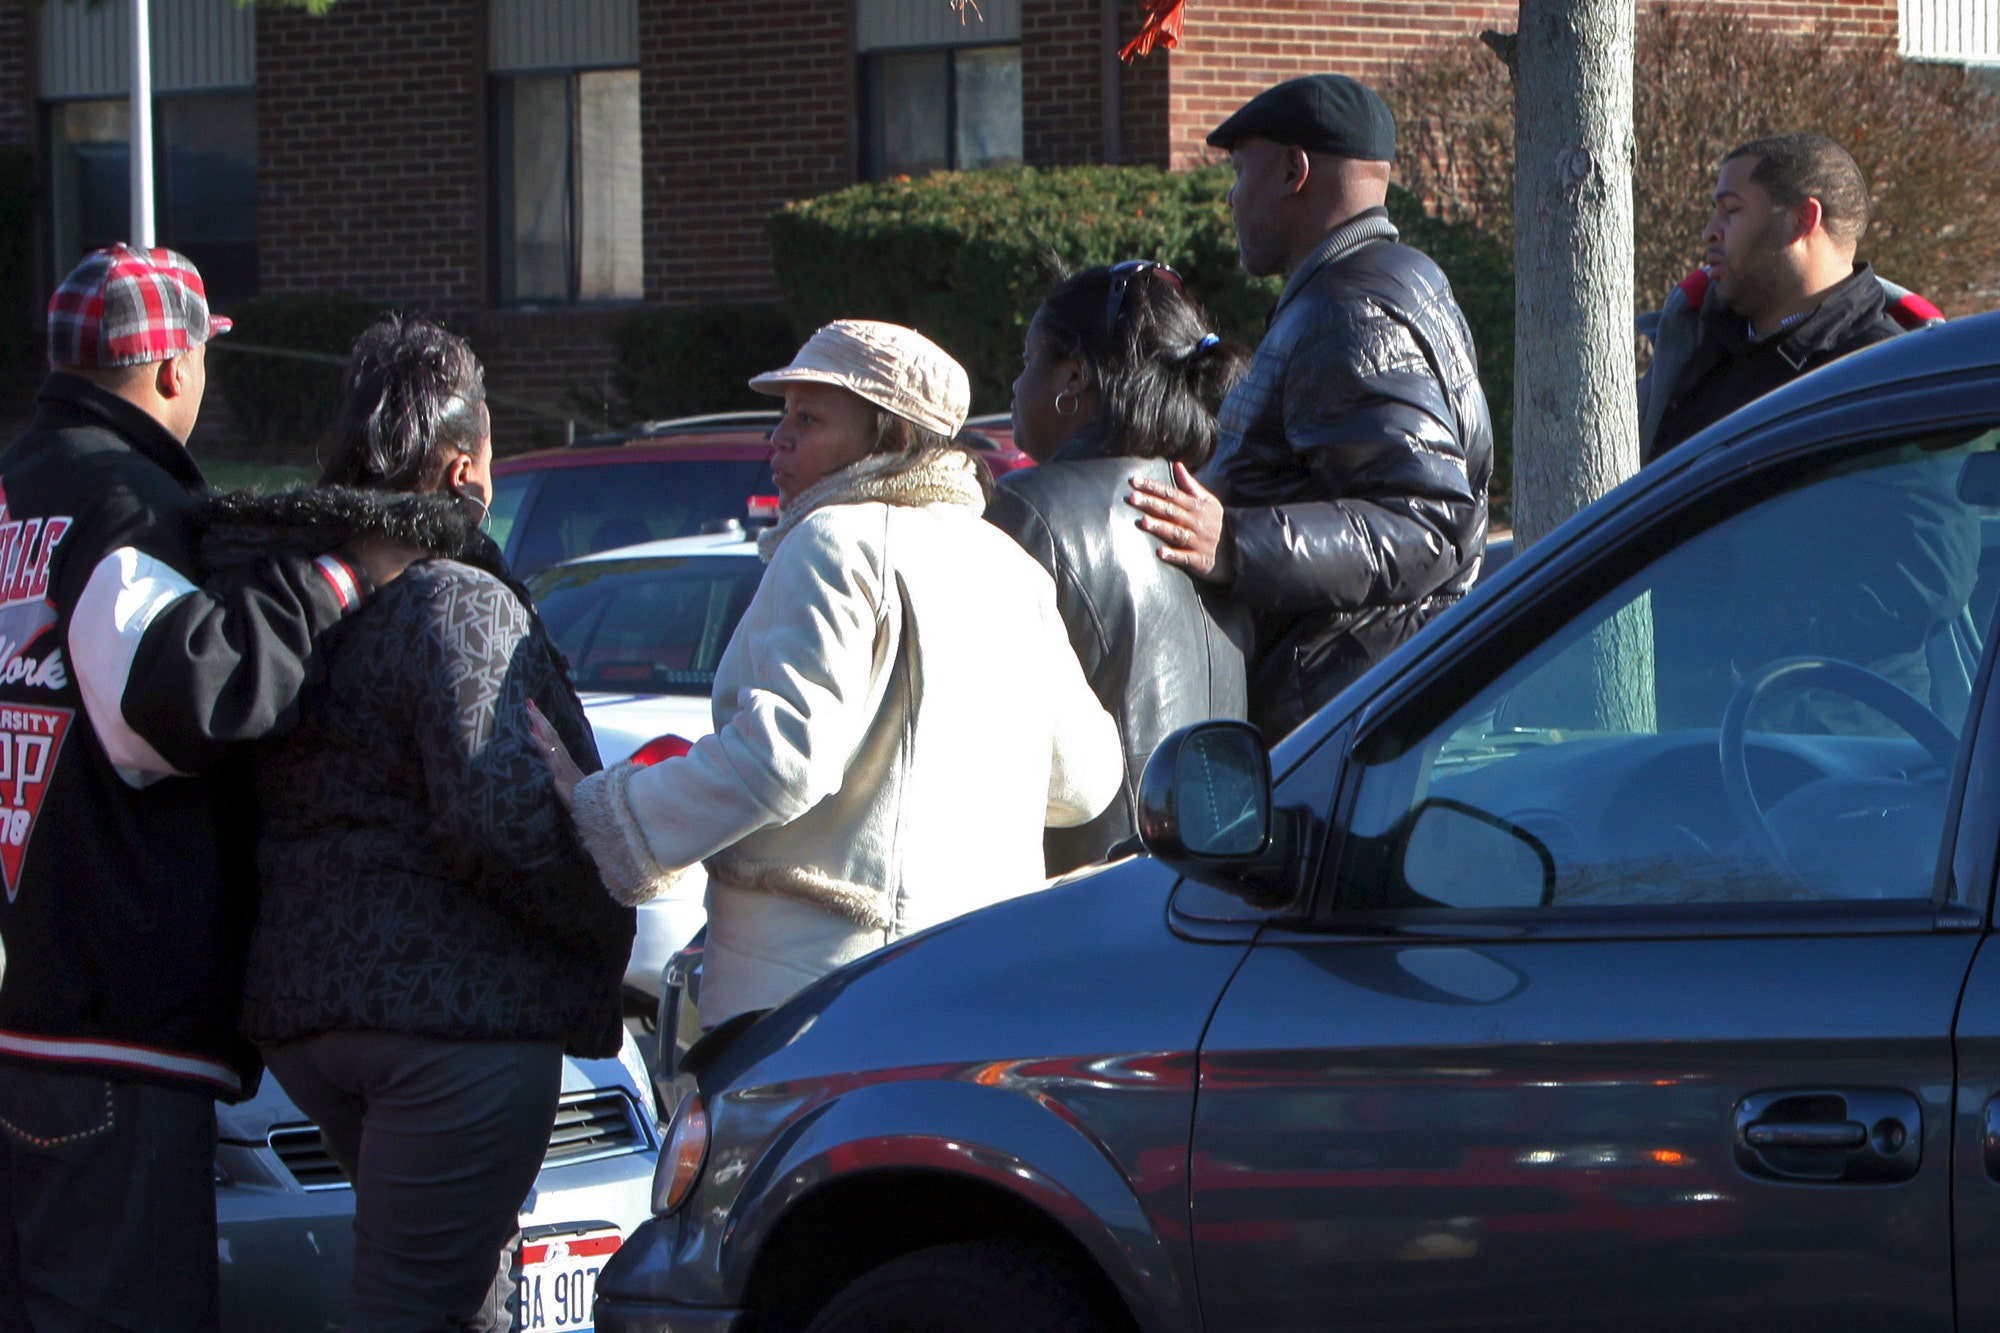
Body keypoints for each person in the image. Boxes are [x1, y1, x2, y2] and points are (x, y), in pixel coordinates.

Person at [0, 246, 408, 1330]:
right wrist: (339, 572)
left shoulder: (16, 488)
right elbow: (178, 705)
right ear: (173, 370)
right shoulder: (124, 504)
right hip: (105, 1036)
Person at [213, 316, 634, 1331]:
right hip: (453, 1030)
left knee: (455, 1290)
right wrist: (600, 918)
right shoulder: (460, 603)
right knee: (413, 1302)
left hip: (310, 1018)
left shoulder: (296, 594)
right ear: (460, 469)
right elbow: (503, 818)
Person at [547, 319, 1122, 1027]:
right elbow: (1088, 779)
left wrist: (614, 812)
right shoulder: (1010, 566)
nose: (778, 439)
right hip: (977, 987)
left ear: (895, 441)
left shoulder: (836, 536)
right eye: (783, 414)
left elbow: (782, 756)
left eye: (810, 418)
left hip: (813, 997)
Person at [1124, 74, 1492, 741]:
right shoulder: (1388, 280)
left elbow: (1428, 525)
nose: (1233, 196)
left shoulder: (1349, 309)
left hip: (1346, 727)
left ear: (1295, 171)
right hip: (1363, 708)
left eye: (1241, 171)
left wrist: (1234, 541)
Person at [987, 262, 1253, 874]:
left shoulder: (1028, 511)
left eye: (1029, 360)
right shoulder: (1213, 516)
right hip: (1214, 888)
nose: (1015, 381)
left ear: (1074, 376)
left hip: (1089, 895)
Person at [1639, 132, 1944, 464]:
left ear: (1803, 219)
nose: (1710, 231)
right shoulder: (1693, 350)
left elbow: (1919, 511)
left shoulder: (1890, 376)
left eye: (1731, 210)